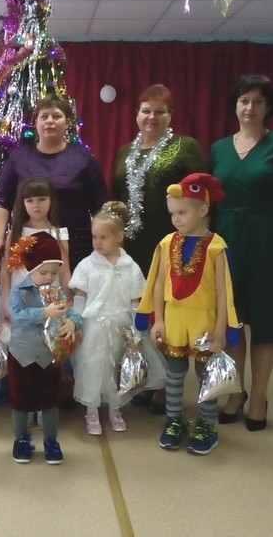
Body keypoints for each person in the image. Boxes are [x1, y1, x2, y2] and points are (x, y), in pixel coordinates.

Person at [208, 75, 273, 431]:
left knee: (265, 324)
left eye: (258, 101)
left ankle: (259, 398)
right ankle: (236, 393)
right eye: (244, 100)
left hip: (268, 239)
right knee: (232, 322)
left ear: (268, 107)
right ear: (235, 105)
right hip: (226, 242)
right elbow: (208, 204)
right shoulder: (218, 149)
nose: (250, 107)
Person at [113, 84, 205, 414]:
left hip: (171, 244)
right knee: (139, 312)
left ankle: (168, 384)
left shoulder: (185, 147)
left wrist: (199, 239)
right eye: (146, 111)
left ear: (170, 115)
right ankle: (147, 379)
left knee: (167, 313)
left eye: (159, 111)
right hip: (132, 247)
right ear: (136, 114)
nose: (152, 117)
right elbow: (117, 199)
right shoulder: (125, 151)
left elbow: (200, 195)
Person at [137, 173, 239, 455]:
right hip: (175, 319)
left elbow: (224, 291)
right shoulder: (166, 243)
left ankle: (207, 426)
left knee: (206, 374)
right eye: (173, 214)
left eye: (182, 213)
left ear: (203, 210)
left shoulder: (217, 247)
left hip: (204, 321)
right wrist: (158, 320)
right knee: (174, 372)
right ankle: (174, 421)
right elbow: (158, 283)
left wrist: (221, 330)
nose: (176, 219)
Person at [0, 93, 107, 273]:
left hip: (76, 246)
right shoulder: (18, 158)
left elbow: (100, 206)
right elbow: (2, 202)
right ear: (36, 123)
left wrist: (104, 240)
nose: (49, 121)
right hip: (28, 244)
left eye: (56, 116)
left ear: (67, 123)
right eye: (44, 116)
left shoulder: (84, 158)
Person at [68, 201, 145, 436]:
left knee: (117, 369)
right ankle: (92, 411)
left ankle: (115, 409)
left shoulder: (130, 267)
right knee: (92, 367)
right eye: (95, 237)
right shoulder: (87, 265)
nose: (98, 242)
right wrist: (76, 323)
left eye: (104, 237)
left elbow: (135, 302)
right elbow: (80, 296)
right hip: (93, 326)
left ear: (119, 237)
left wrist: (136, 333)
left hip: (120, 326)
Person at [6, 231, 83, 465]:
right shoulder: (19, 292)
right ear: (31, 268)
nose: (49, 277)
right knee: (20, 402)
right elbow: (17, 316)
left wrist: (73, 322)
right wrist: (44, 313)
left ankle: (51, 441)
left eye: (54, 273)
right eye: (44, 272)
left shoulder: (57, 293)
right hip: (22, 357)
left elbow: (73, 313)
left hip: (48, 358)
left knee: (50, 401)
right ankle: (21, 440)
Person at [0, 177, 69, 318]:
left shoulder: (58, 234)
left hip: (50, 298)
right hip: (20, 300)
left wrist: (66, 301)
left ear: (51, 200)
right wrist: (5, 301)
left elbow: (65, 272)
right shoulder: (16, 233)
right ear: (23, 203)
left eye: (42, 199)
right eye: (30, 200)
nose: (36, 205)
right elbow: (6, 270)